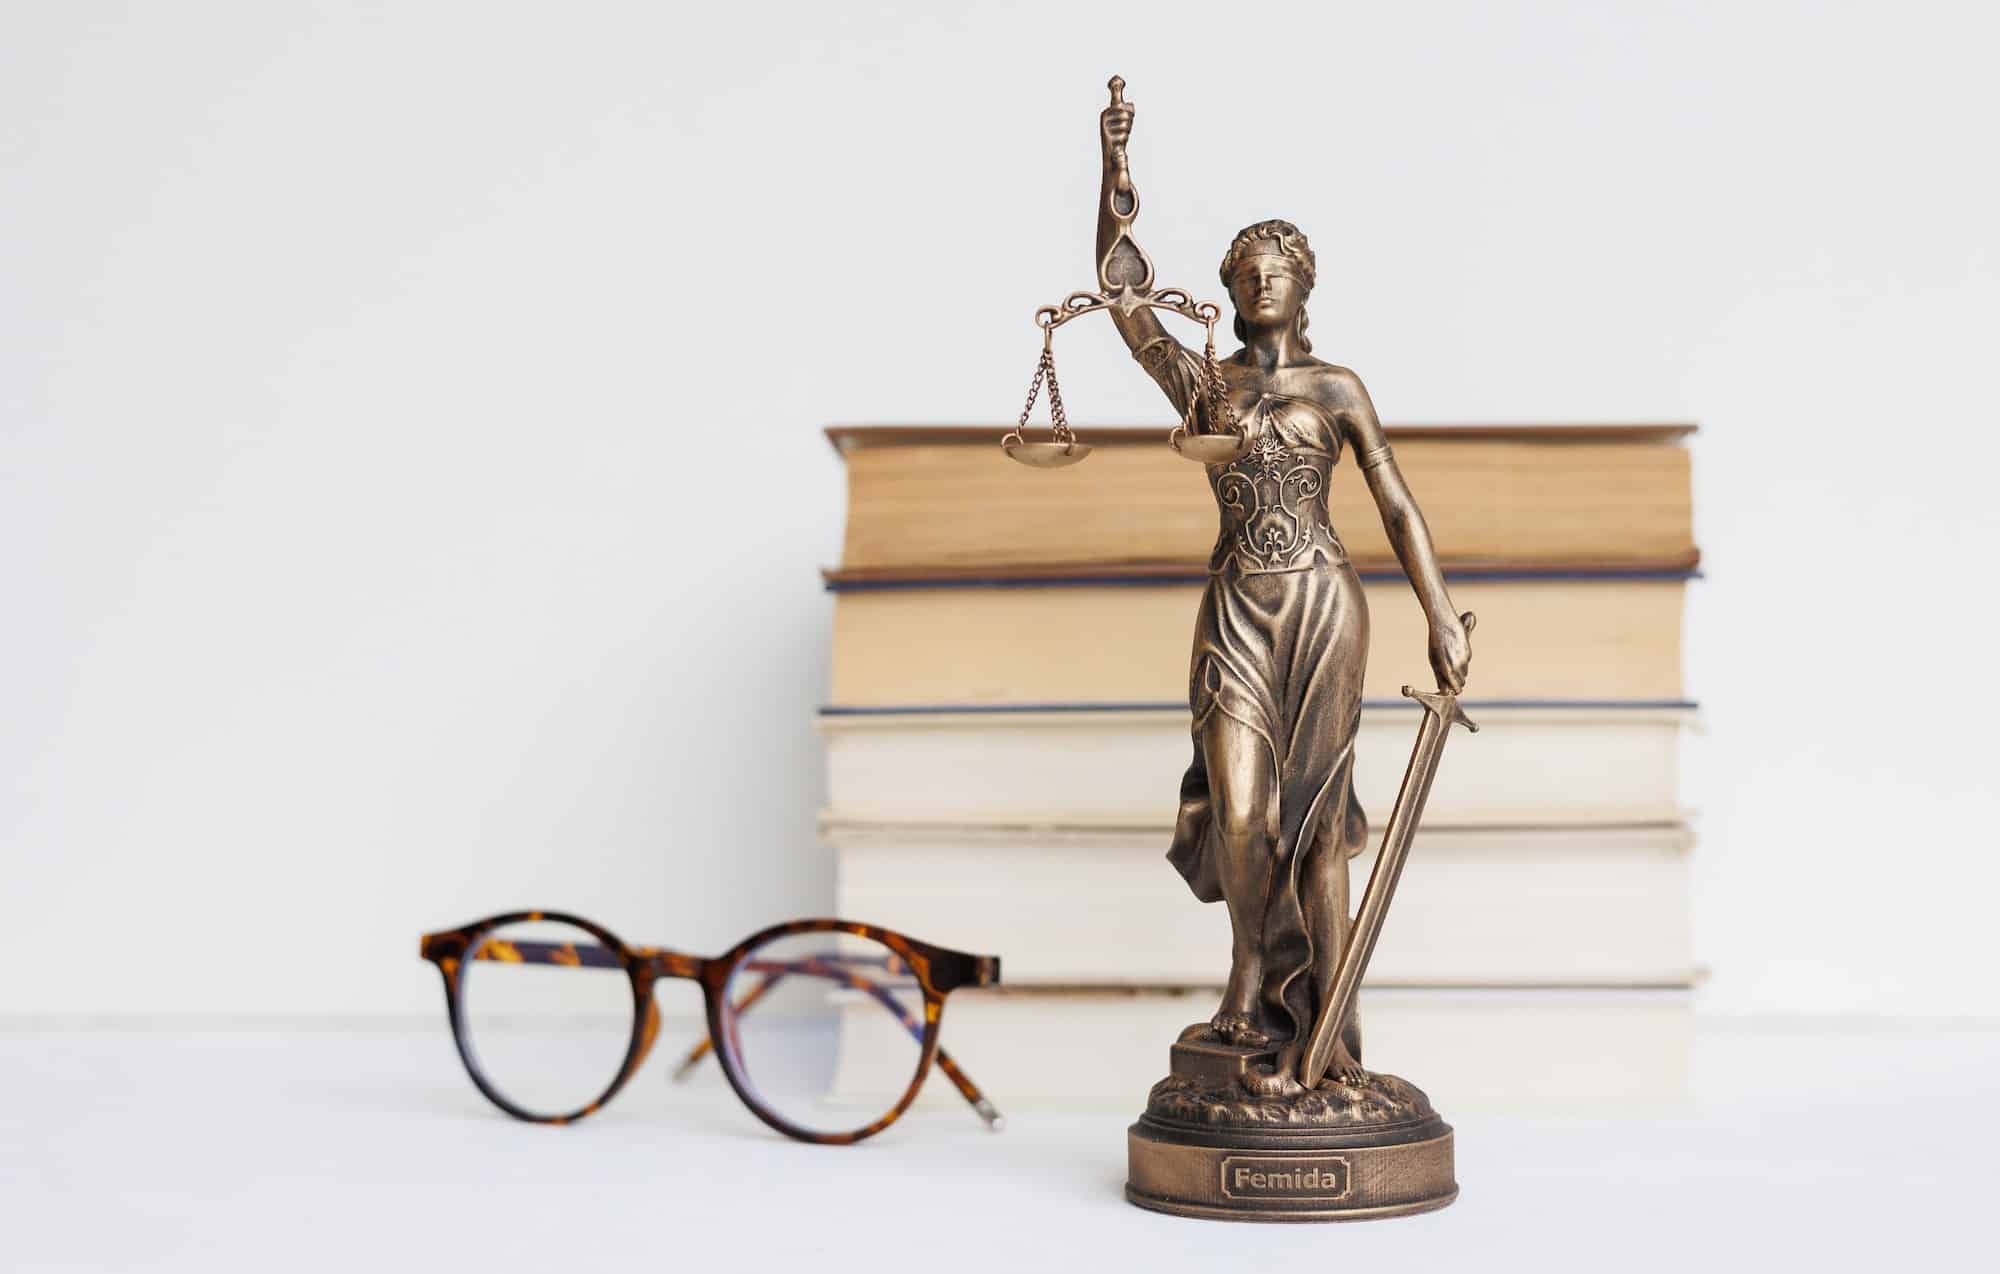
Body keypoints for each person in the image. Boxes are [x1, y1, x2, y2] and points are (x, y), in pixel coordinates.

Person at [1098, 96, 1472, 1090]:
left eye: (1279, 270)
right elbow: (1125, 306)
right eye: (1247, 270)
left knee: (1312, 822)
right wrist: (1114, 174)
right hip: (1235, 605)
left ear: (1304, 287)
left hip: (1320, 605)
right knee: (1240, 813)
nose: (1263, 280)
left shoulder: (1337, 387)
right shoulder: (1206, 388)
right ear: (1226, 287)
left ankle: (1327, 1028)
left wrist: (1438, 612)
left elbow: (1394, 501)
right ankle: (1247, 969)